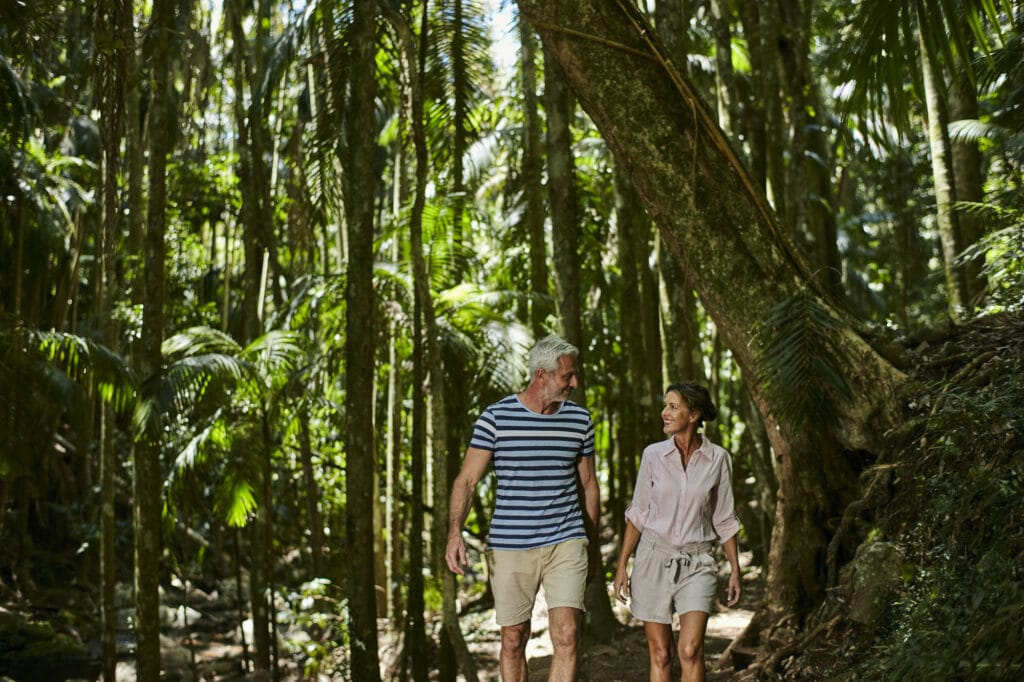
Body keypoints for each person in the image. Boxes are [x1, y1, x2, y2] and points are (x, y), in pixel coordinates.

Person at [445, 335, 601, 682]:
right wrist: (454, 532)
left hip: (567, 538)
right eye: (568, 376)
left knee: (567, 636)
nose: (574, 383)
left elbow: (589, 485)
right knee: (514, 640)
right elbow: (467, 481)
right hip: (511, 544)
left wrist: (592, 546)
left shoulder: (579, 421)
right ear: (541, 375)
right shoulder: (496, 418)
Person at [613, 382, 742, 682]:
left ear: (694, 414)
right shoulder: (653, 456)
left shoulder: (718, 459)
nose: (664, 413)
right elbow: (639, 513)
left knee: (690, 650)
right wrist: (622, 565)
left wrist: (735, 568)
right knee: (661, 654)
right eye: (666, 406)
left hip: (697, 563)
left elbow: (724, 517)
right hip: (652, 559)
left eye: (673, 407)